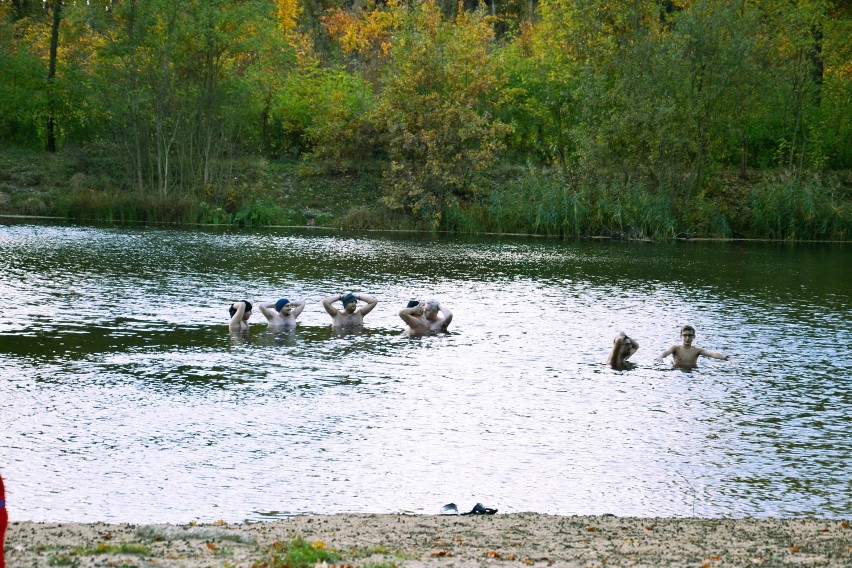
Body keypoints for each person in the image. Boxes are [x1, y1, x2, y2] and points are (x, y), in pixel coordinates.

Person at [656, 325, 734, 367]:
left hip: (692, 372)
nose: (687, 338)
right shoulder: (675, 348)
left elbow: (713, 354)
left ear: (694, 337)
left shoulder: (697, 350)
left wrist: (727, 358)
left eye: (690, 335)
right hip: (677, 372)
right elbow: (666, 352)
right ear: (681, 336)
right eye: (685, 335)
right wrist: (660, 356)